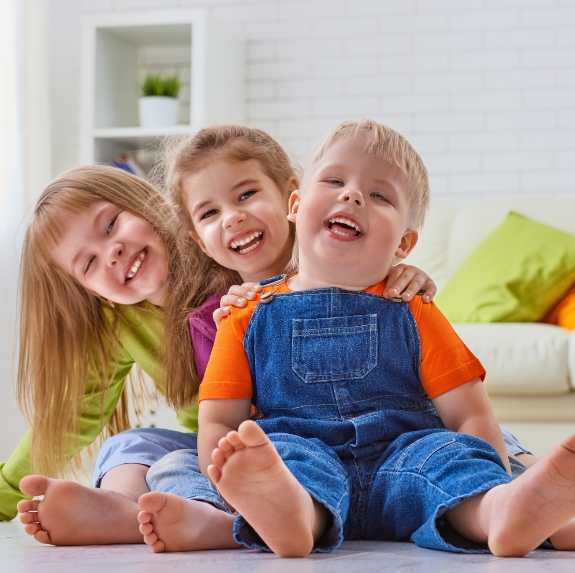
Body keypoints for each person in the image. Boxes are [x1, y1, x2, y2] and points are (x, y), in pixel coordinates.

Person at [139, 119, 575, 558]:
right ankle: (290, 518)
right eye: (333, 180)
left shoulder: (412, 305)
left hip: (407, 460)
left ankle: (501, 512)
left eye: (380, 195)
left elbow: (468, 414)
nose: (352, 195)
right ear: (296, 203)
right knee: (283, 459)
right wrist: (229, 484)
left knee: (451, 458)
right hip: (306, 459)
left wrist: (491, 477)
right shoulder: (244, 316)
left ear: (404, 243)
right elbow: (219, 419)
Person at [13, 128, 434, 547]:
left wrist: (397, 270)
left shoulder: (239, 271)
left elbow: (357, 262)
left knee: (467, 446)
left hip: (297, 440)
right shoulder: (131, 319)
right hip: (226, 449)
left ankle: (217, 517)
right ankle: (124, 508)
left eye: (110, 225)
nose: (113, 253)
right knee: (137, 447)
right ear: (89, 292)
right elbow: (70, 416)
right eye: (88, 263)